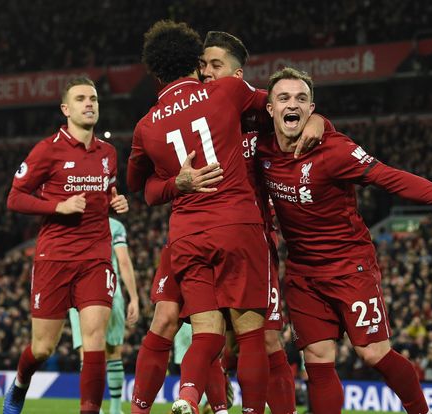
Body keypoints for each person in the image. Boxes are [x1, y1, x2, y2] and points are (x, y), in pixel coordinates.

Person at [255, 67, 432, 414]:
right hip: (303, 273)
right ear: (269, 108)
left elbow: (389, 177)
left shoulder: (335, 150)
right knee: (317, 361)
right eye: (283, 98)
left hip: (349, 265)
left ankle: (420, 410)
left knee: (372, 353)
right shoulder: (261, 148)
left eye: (301, 99)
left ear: (311, 108)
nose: (292, 104)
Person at [133, 30, 328, 414]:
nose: (206, 72)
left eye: (215, 65)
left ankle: (220, 403)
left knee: (264, 340)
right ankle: (174, 406)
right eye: (201, 65)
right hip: (201, 231)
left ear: (237, 75)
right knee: (168, 318)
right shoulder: (211, 102)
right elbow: (148, 187)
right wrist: (178, 182)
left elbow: (289, 107)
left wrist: (318, 118)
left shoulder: (258, 114)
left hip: (247, 229)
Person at [127, 21, 271, 414]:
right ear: (196, 62)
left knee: (202, 333)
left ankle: (186, 399)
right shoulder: (226, 90)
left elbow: (139, 186)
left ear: (155, 73)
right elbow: (273, 103)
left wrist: (176, 181)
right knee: (251, 335)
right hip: (237, 225)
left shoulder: (146, 126)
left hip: (187, 236)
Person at [3, 77, 129, 414]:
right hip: (54, 258)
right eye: (81, 99)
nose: (89, 104)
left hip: (96, 257)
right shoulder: (48, 150)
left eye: (94, 99)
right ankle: (19, 385)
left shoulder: (108, 153)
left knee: (94, 342)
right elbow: (15, 198)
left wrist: (116, 201)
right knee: (42, 348)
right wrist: (56, 207)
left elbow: (108, 191)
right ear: (66, 109)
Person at [68, 215, 139, 414]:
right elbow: (123, 262)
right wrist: (134, 297)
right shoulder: (114, 225)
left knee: (86, 354)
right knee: (113, 352)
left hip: (78, 293)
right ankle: (116, 410)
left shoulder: (74, 222)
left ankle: (92, 409)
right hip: (110, 291)